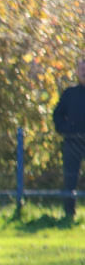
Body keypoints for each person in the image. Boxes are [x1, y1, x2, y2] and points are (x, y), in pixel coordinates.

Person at [53, 57, 85, 218]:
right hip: (72, 142)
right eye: (81, 69)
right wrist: (66, 130)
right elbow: (57, 116)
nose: (84, 72)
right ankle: (68, 214)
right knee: (70, 177)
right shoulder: (69, 94)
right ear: (76, 71)